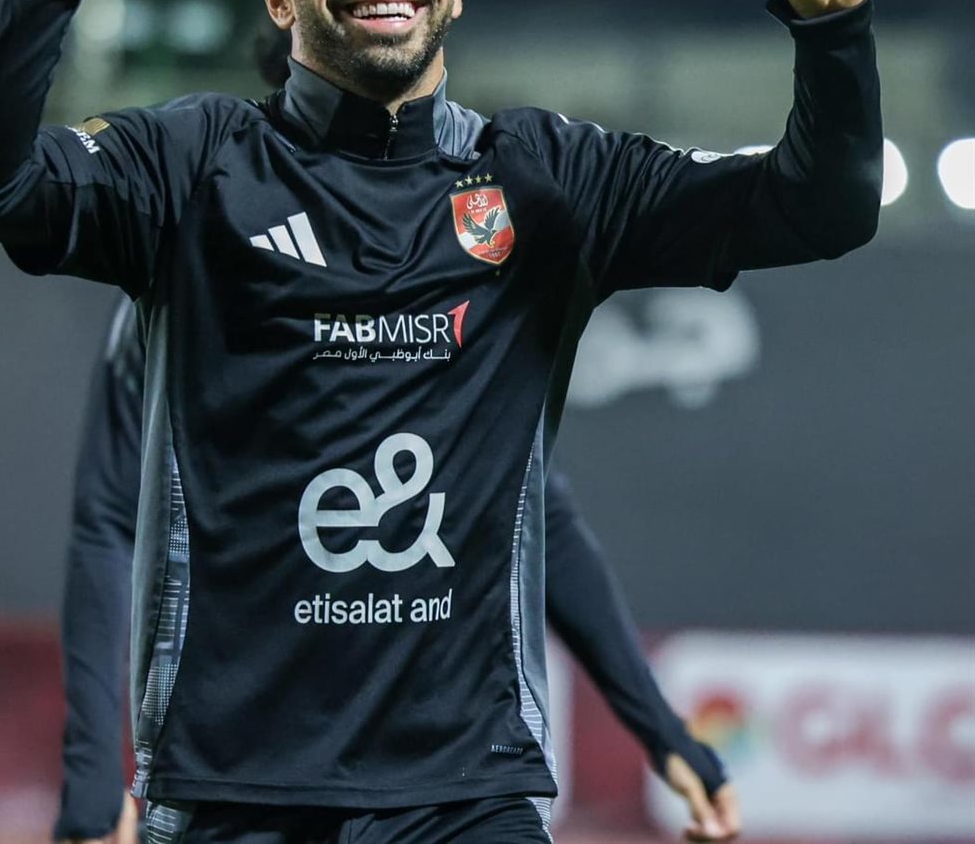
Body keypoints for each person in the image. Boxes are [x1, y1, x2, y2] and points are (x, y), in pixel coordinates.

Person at [0, 0, 879, 844]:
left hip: (469, 799)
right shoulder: (190, 168)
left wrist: (832, 30)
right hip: (235, 798)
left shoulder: (548, 180)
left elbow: (821, 209)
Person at [53, 297, 738, 844]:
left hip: (453, 777)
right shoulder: (193, 241)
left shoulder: (462, 248)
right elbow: (110, 516)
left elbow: (527, 512)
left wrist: (662, 729)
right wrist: (92, 770)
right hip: (247, 774)